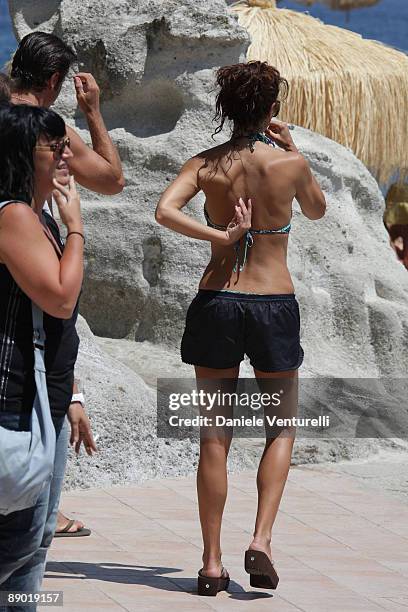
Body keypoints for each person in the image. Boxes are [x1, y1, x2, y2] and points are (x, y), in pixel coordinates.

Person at [156, 61, 326, 595]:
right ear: (271, 108)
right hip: (273, 301)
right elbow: (316, 211)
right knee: (280, 426)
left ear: (226, 109)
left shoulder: (206, 164)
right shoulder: (289, 164)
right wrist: (293, 148)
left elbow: (164, 210)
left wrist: (221, 236)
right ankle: (262, 540)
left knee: (214, 434)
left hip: (218, 300)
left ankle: (210, 563)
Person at [10, 30, 124, 534]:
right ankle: (36, 515)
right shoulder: (46, 126)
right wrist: (94, 112)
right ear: (55, 80)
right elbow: (110, 178)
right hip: (31, 239)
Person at [0, 104, 96, 609]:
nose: (65, 154)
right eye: (52, 146)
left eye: (65, 144)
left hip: (46, 399)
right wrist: (77, 226)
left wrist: (74, 392)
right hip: (12, 403)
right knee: (16, 553)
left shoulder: (37, 218)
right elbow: (60, 297)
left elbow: (56, 324)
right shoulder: (13, 215)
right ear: (21, 153)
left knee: (33, 550)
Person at [10, 31, 124, 195]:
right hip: (25, 219)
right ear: (54, 80)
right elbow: (113, 182)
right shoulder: (47, 130)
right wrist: (92, 111)